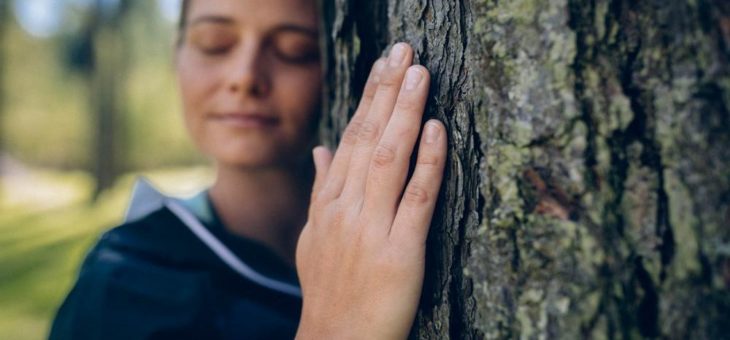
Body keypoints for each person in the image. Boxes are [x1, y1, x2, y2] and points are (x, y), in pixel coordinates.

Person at [49, 0, 447, 339]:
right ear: (178, 56)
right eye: (214, 44)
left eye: (294, 49)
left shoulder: (415, 237)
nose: (245, 77)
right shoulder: (117, 289)